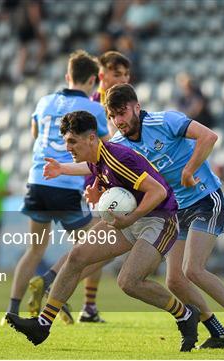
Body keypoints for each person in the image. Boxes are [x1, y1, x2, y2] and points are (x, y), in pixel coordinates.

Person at [6, 111, 200, 352]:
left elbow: (158, 192)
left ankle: (185, 314)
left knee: (129, 282)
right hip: (129, 219)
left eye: (72, 142)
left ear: (90, 139)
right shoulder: (97, 158)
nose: (68, 147)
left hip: (159, 220)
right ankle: (42, 325)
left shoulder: (117, 158)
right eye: (67, 142)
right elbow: (88, 169)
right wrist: (64, 170)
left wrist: (131, 217)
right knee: (77, 256)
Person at [105, 84, 224, 351]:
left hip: (205, 199)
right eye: (114, 116)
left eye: (123, 113)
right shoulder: (119, 146)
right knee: (174, 280)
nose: (119, 121)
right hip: (176, 211)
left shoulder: (166, 120)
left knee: (193, 269)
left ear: (137, 108)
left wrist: (189, 170)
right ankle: (218, 333)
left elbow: (209, 137)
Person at [1, 50, 110, 326]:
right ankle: (50, 281)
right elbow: (105, 148)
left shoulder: (45, 100)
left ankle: (11, 311)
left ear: (67, 77)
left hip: (38, 180)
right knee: (98, 247)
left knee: (34, 249)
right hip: (67, 183)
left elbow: (35, 134)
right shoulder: (93, 109)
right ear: (92, 81)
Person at [26, 50, 131, 323]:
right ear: (101, 76)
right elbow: (103, 147)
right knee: (93, 247)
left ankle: (85, 304)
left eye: (126, 75)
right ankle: (56, 285)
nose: (122, 78)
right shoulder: (91, 103)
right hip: (92, 180)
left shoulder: (117, 103)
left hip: (105, 179)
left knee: (93, 247)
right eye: (116, 74)